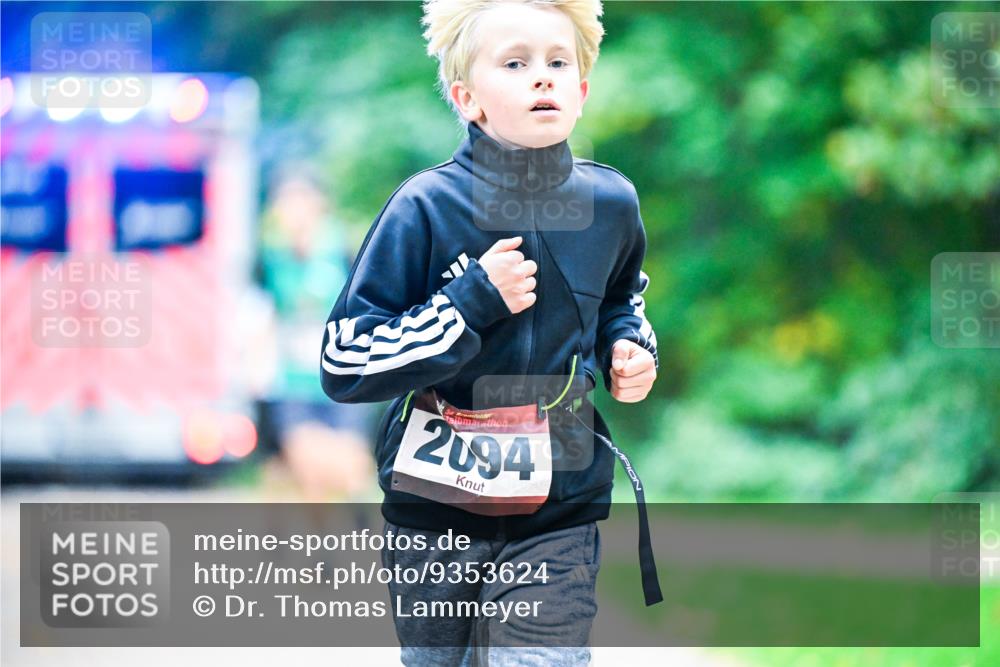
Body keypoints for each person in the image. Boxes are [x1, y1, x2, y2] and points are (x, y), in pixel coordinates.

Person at [320, 1, 661, 664]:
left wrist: (631, 347)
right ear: (468, 98)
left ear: (582, 92)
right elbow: (344, 357)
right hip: (434, 517)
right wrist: (469, 301)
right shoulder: (424, 207)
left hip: (558, 511)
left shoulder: (610, 204)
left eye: (558, 63)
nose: (543, 78)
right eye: (516, 62)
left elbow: (623, 299)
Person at [256, 166, 375, 504]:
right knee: (307, 471)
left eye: (298, 200)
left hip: (344, 376)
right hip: (293, 380)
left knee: (351, 469)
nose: (290, 210)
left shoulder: (345, 250)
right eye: (284, 202)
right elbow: (263, 314)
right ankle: (318, 552)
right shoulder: (271, 257)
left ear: (319, 203)